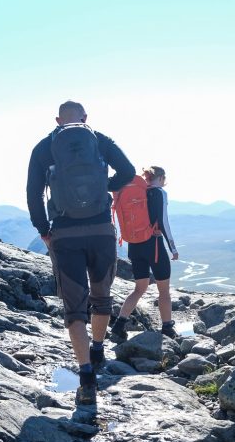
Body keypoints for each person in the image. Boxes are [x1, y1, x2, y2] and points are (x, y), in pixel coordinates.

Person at [26, 100, 135, 405]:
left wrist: (43, 230)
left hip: (64, 232)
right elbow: (127, 171)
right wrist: (104, 186)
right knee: (101, 295)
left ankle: (86, 377)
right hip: (101, 229)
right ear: (86, 117)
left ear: (58, 120)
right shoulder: (100, 139)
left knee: (74, 307)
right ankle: (98, 348)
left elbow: (33, 192)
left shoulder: (43, 147)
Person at [109, 166, 179, 342]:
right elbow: (164, 221)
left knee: (139, 288)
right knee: (164, 291)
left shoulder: (137, 192)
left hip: (134, 245)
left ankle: (118, 325)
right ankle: (167, 328)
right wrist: (173, 247)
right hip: (153, 245)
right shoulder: (159, 193)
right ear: (162, 178)